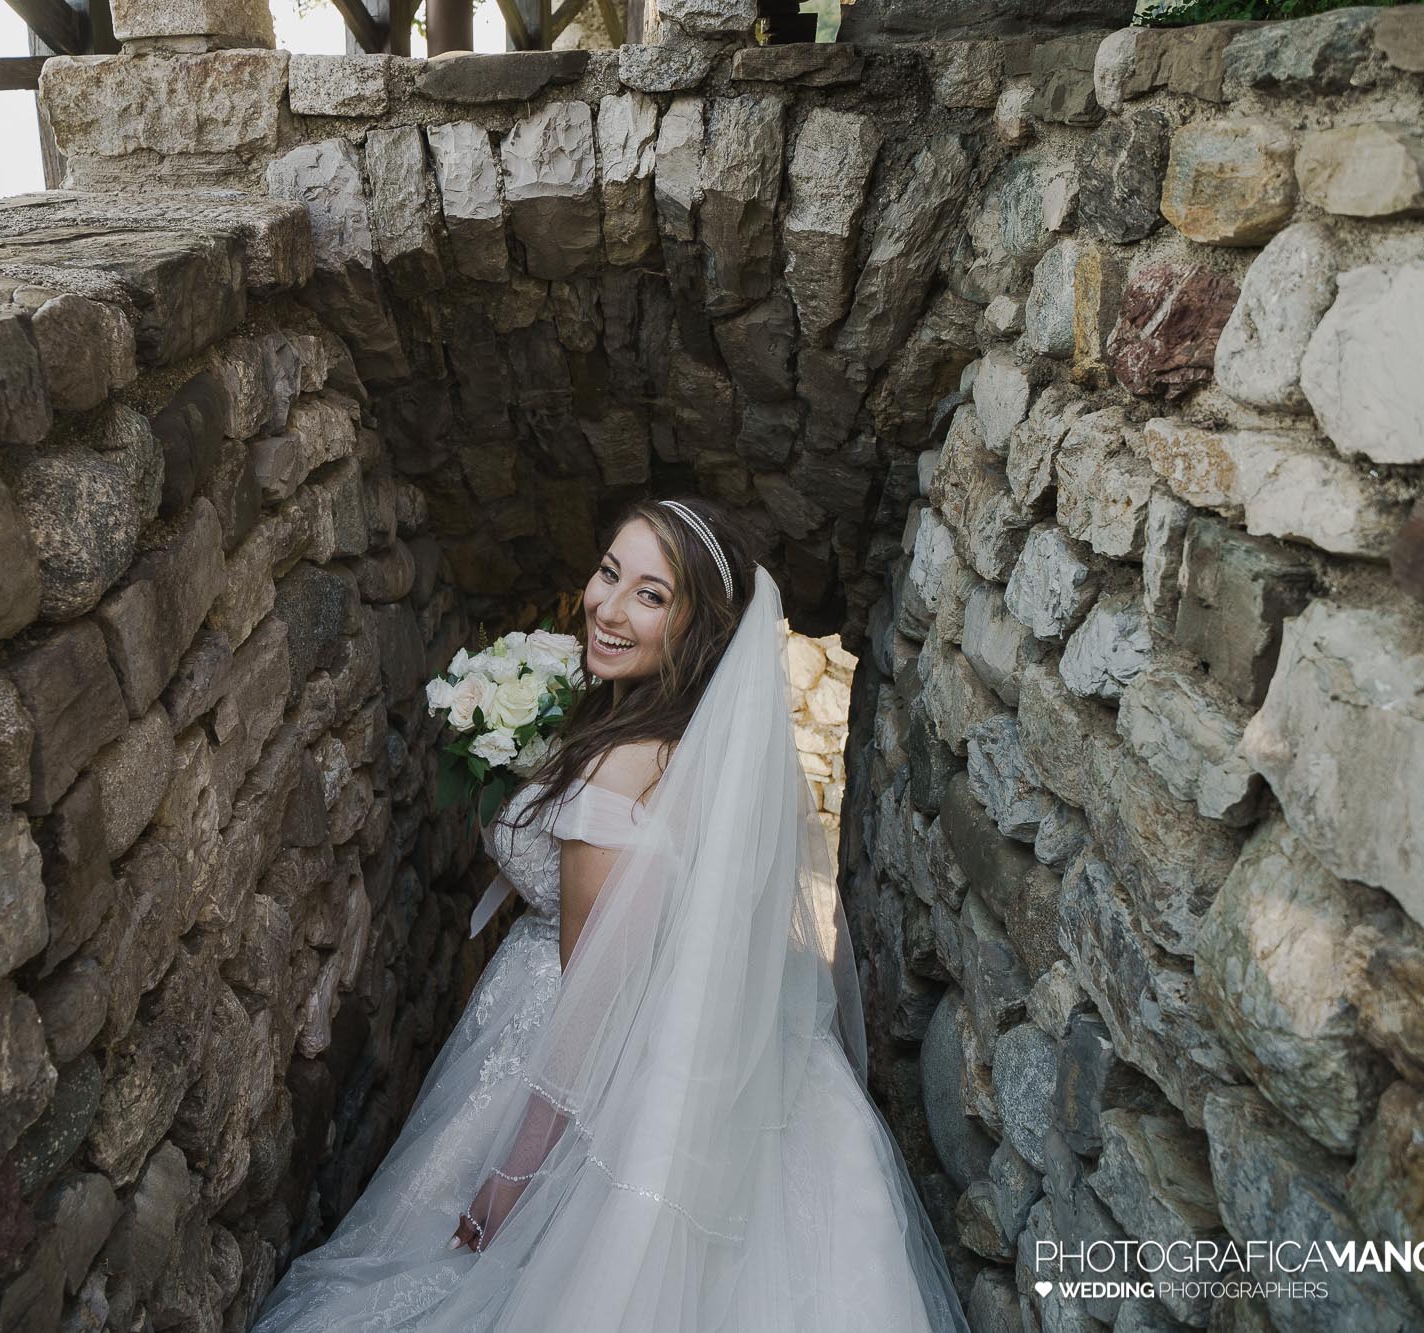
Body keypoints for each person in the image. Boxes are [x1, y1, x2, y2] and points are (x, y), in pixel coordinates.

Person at [250, 497, 972, 1332]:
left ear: (701, 628)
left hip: (577, 1052)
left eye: (652, 595)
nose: (608, 606)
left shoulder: (616, 777)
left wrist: (510, 1181)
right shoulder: (686, 748)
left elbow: (588, 1005)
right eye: (608, 572)